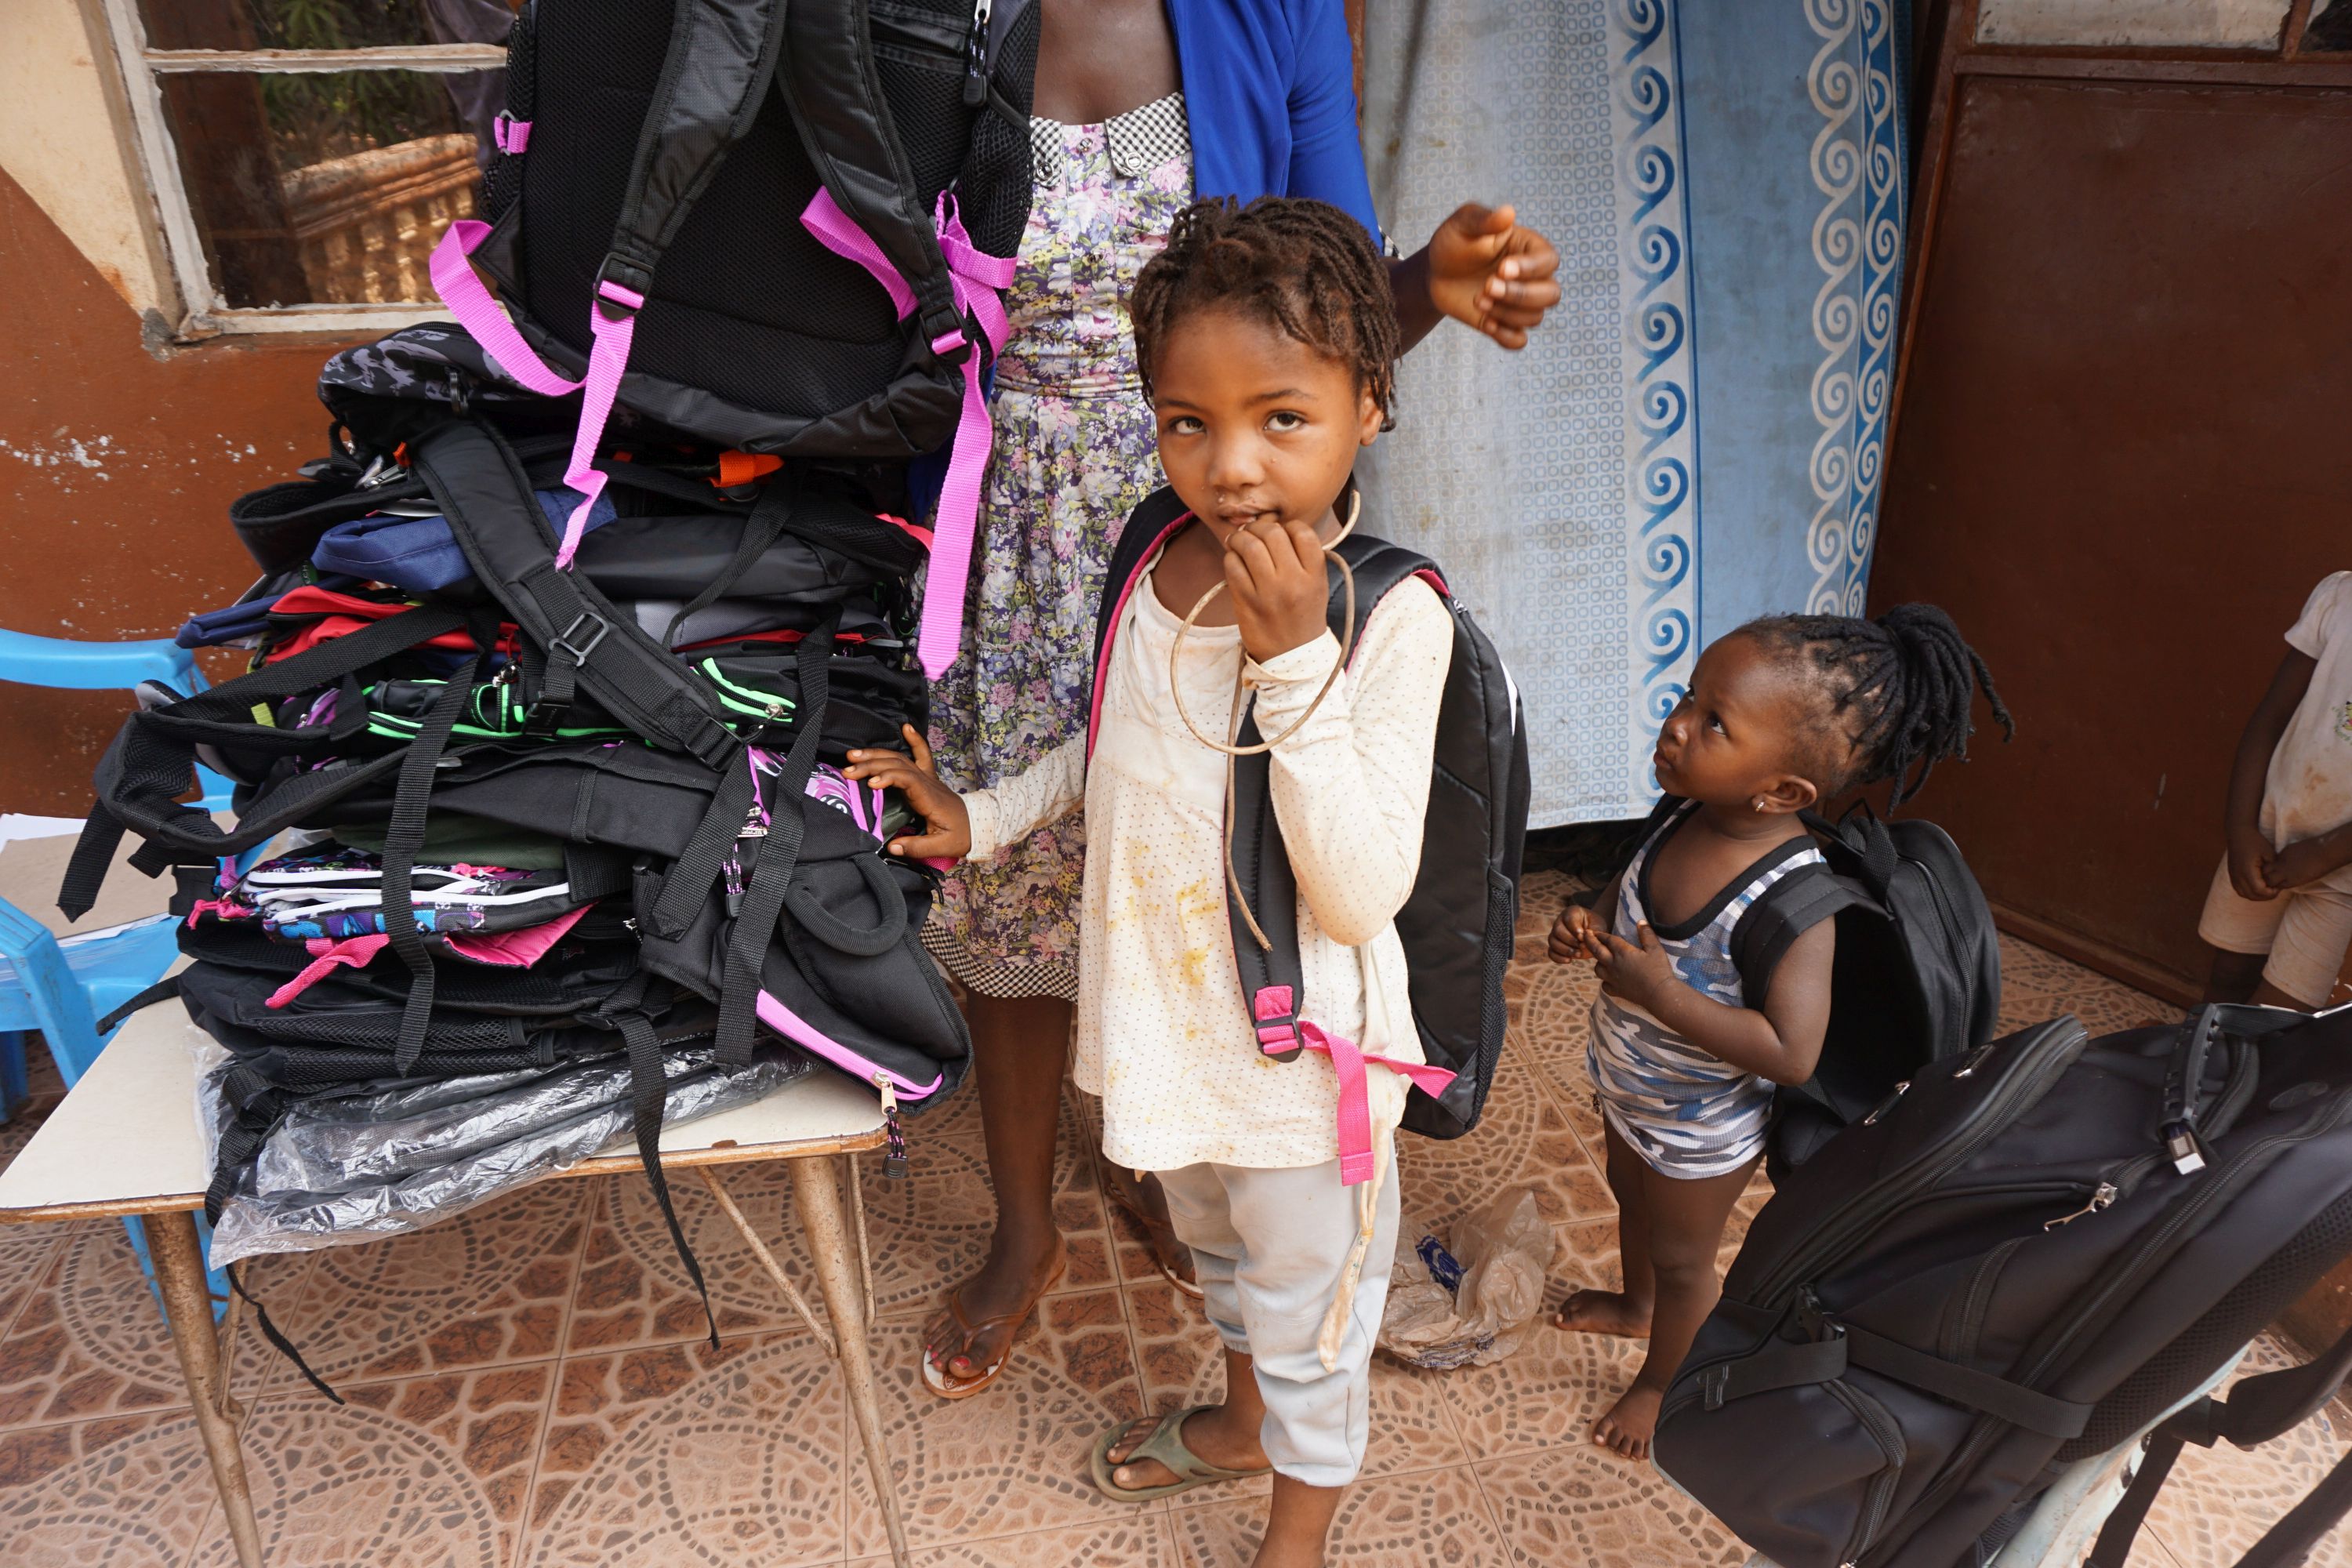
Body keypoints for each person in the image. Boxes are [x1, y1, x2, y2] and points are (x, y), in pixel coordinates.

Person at [917, 0, 1561, 1396]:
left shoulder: (1265, 15)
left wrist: (1432, 284)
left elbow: (1328, 317)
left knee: (1230, 863)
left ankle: (1168, 1141)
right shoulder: (921, 20)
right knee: (1018, 874)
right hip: (1002, 532)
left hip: (1228, 535)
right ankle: (1028, 1224)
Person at [851, 195, 1446, 1568]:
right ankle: (1235, 1425)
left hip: (1302, 1076)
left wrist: (1294, 659)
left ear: (1370, 405)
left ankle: (1293, 1541)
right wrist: (981, 812)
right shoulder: (1151, 560)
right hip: (1170, 1038)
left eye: (1282, 417)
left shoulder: (1391, 614)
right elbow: (1113, 744)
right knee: (1230, 1276)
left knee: (1312, 1320)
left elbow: (1357, 891)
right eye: (1189, 421)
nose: (1231, 466)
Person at [1549, 606, 2012, 1461]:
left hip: (1701, 1126)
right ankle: (1633, 1301)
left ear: (1783, 792)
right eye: (1689, 696)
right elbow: (1632, 889)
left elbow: (1789, 1050)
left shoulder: (1796, 902)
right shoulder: (1684, 811)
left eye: (1715, 721)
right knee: (1629, 1201)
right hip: (1629, 1083)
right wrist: (1591, 919)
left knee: (1687, 1258)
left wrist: (1661, 993)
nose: (1679, 723)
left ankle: (1662, 1379)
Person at [2199, 570, 2352, 1010]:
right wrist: (2242, 827)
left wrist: (2326, 852)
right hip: (2268, 838)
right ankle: (2197, 1075)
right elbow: (2270, 717)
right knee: (2227, 977)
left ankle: (2250, 1081)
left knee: (2281, 1013)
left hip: (2341, 875)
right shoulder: (2338, 597)